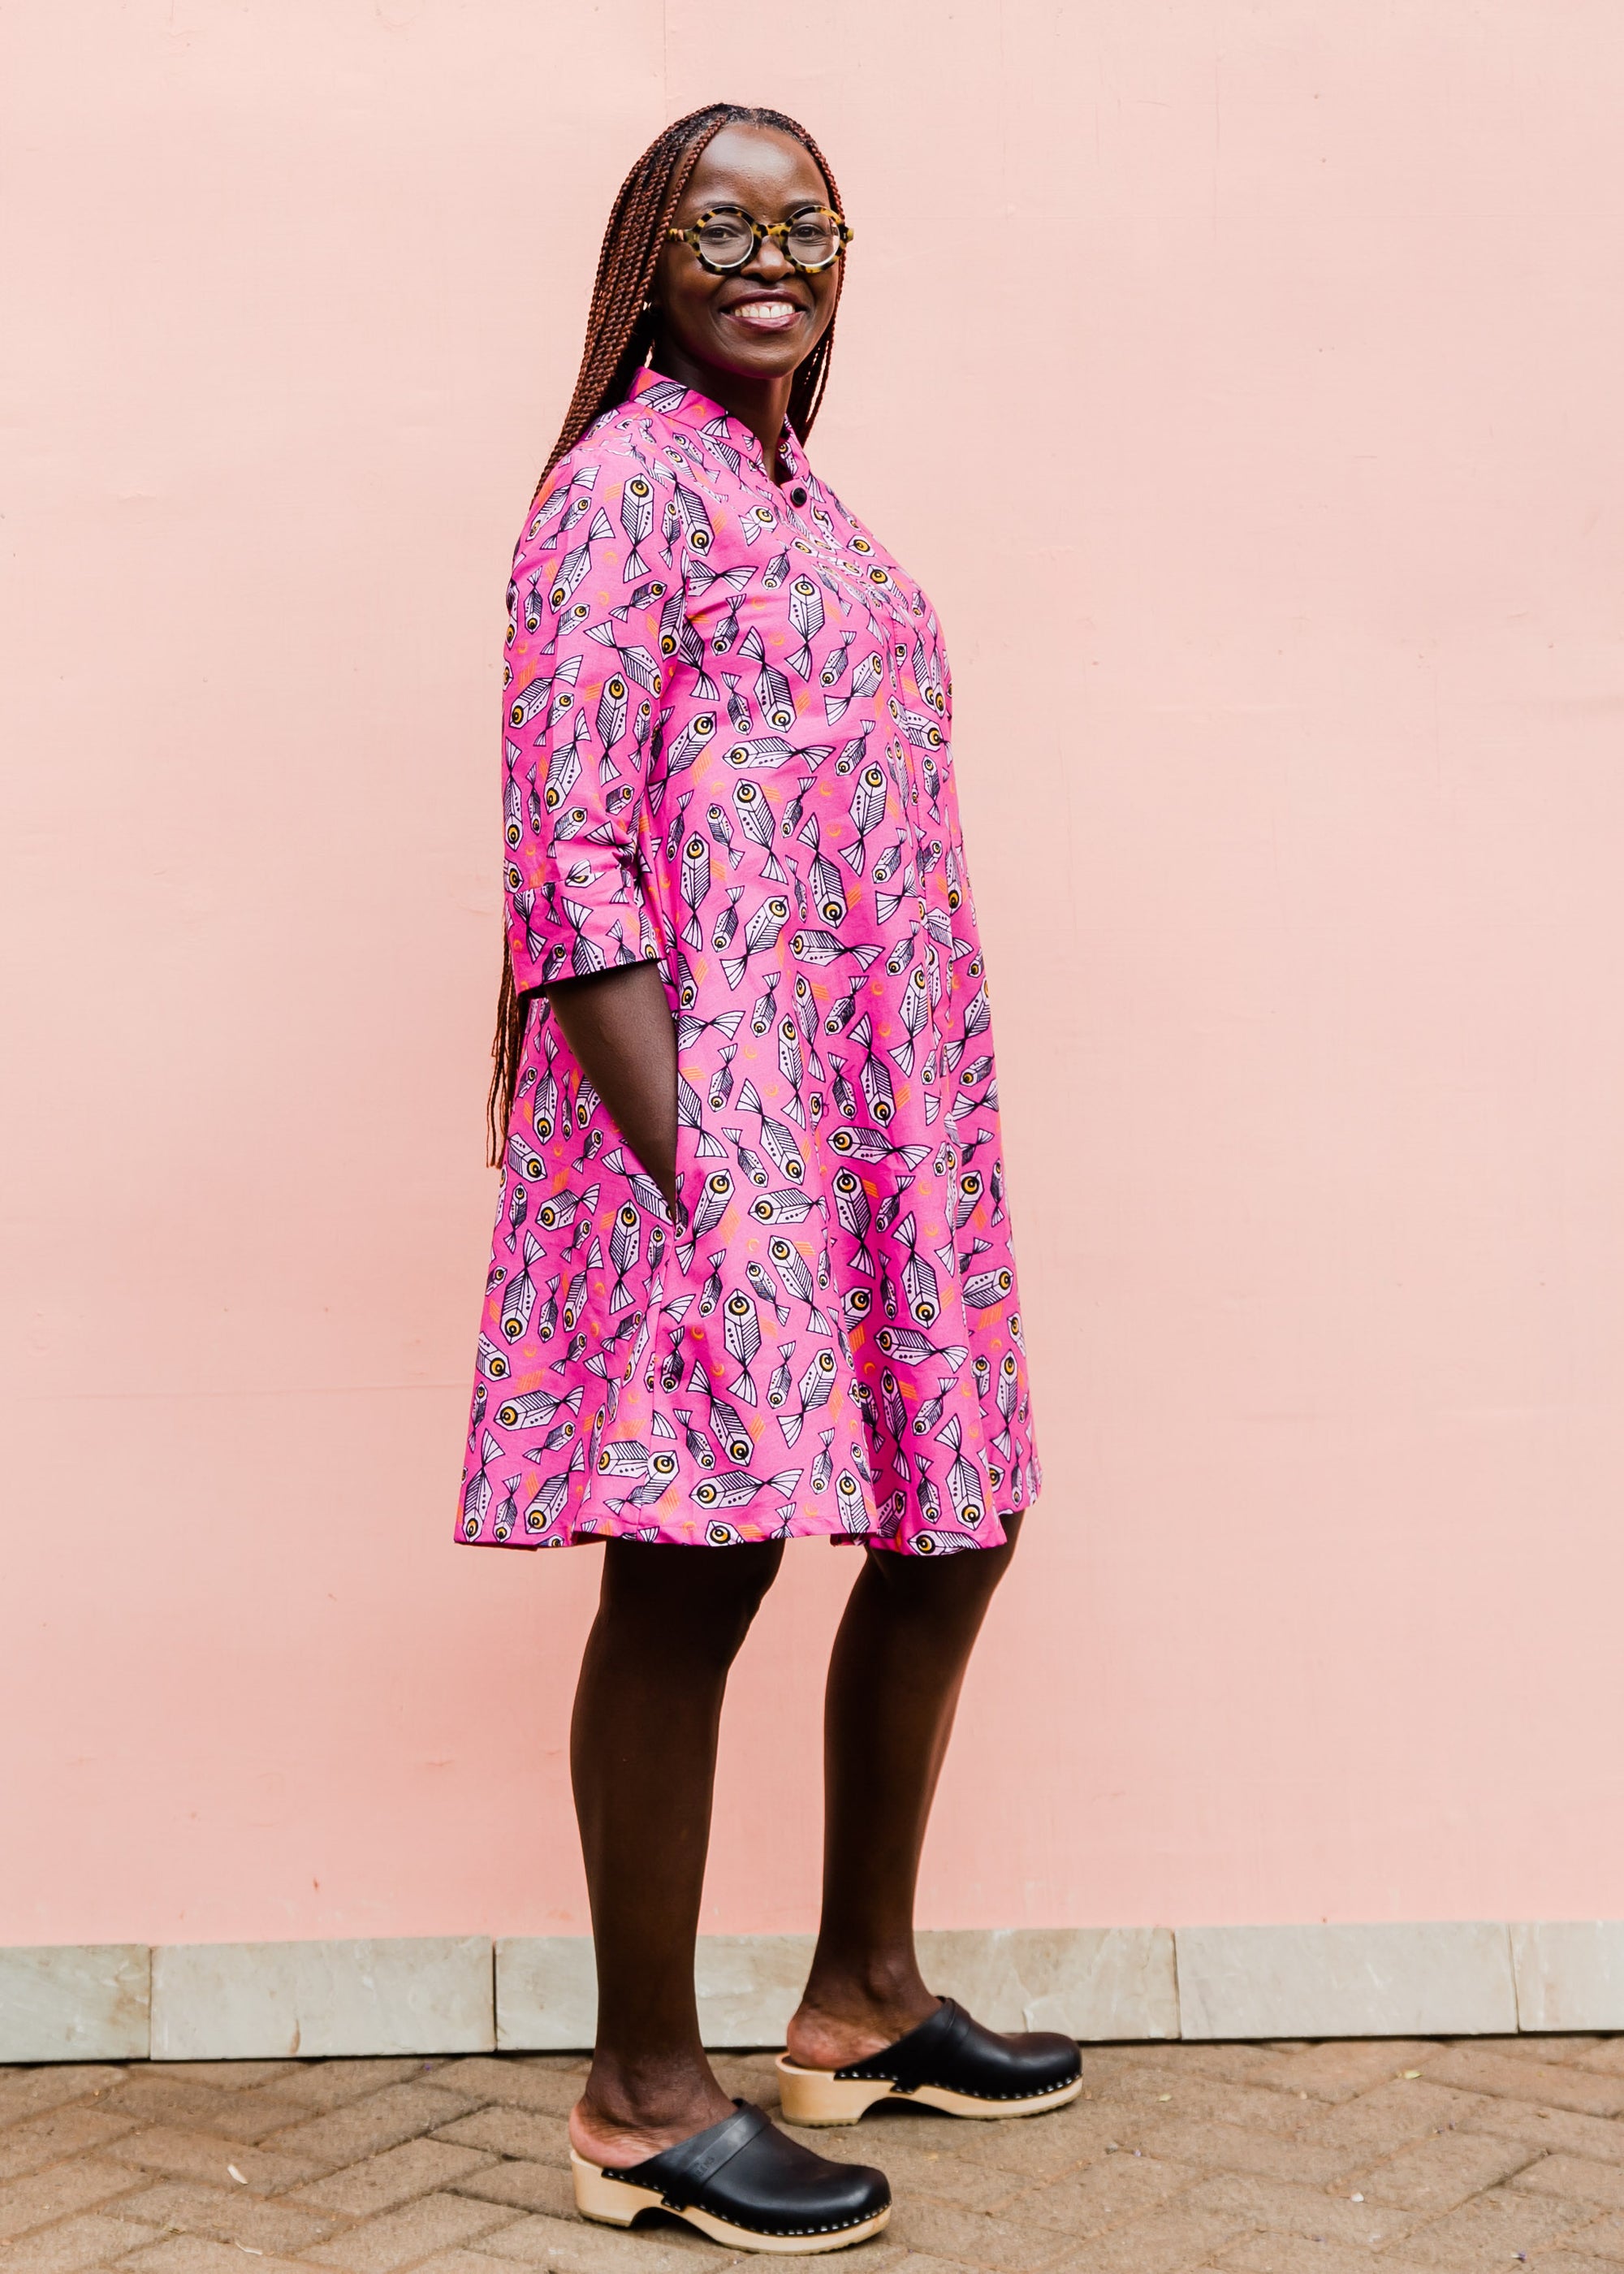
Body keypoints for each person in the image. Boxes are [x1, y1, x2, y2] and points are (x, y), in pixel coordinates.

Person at [460, 102, 1075, 2254]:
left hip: (877, 1132)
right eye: (722, 223)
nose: (769, 253)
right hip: (699, 1135)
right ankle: (642, 2096)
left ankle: (863, 1995)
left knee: (960, 1510)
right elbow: (575, 861)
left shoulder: (786, 493)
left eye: (807, 225)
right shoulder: (622, 487)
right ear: (649, 259)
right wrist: (696, 1157)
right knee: (695, 1566)